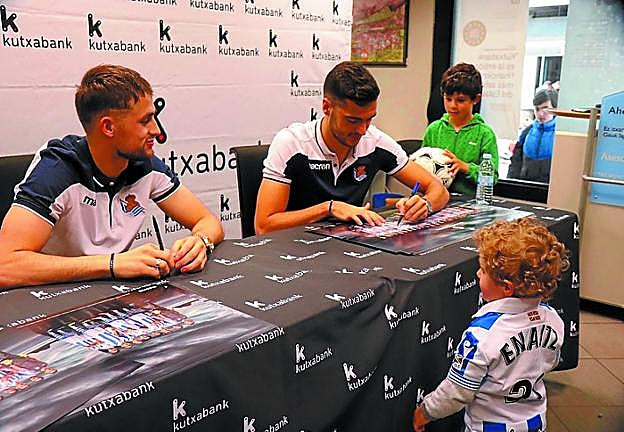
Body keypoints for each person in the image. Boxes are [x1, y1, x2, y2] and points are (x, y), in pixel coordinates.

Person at [0, 65, 224, 289]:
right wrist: (111, 264)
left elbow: (208, 222)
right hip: (55, 297)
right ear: (108, 127)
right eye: (145, 121)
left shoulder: (145, 165)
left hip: (113, 292)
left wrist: (201, 242)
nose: (157, 130)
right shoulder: (56, 170)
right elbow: (5, 266)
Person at [412, 217, 570, 432]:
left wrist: (426, 411)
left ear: (506, 287)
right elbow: (550, 361)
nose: (478, 273)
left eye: (483, 270)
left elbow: (456, 392)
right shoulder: (553, 319)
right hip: (535, 424)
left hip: (488, 428)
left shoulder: (482, 335)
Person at [255, 61, 449, 234]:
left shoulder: (376, 141)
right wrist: (329, 208)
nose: (362, 130)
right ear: (327, 107)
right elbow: (264, 226)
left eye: (369, 119)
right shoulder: (292, 144)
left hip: (347, 248)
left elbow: (438, 190)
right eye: (352, 120)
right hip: (291, 248)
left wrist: (425, 204)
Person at [422, 63, 499, 195]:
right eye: (448, 99)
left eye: (461, 100)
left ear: (476, 99)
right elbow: (422, 167)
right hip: (436, 199)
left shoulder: (485, 134)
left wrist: (466, 167)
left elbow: (492, 178)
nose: (453, 105)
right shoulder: (433, 130)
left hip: (469, 201)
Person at [508, 88, 558, 183]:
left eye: (545, 108)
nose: (540, 113)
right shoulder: (526, 132)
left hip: (550, 188)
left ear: (555, 108)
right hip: (525, 186)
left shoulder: (560, 135)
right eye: (537, 109)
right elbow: (515, 163)